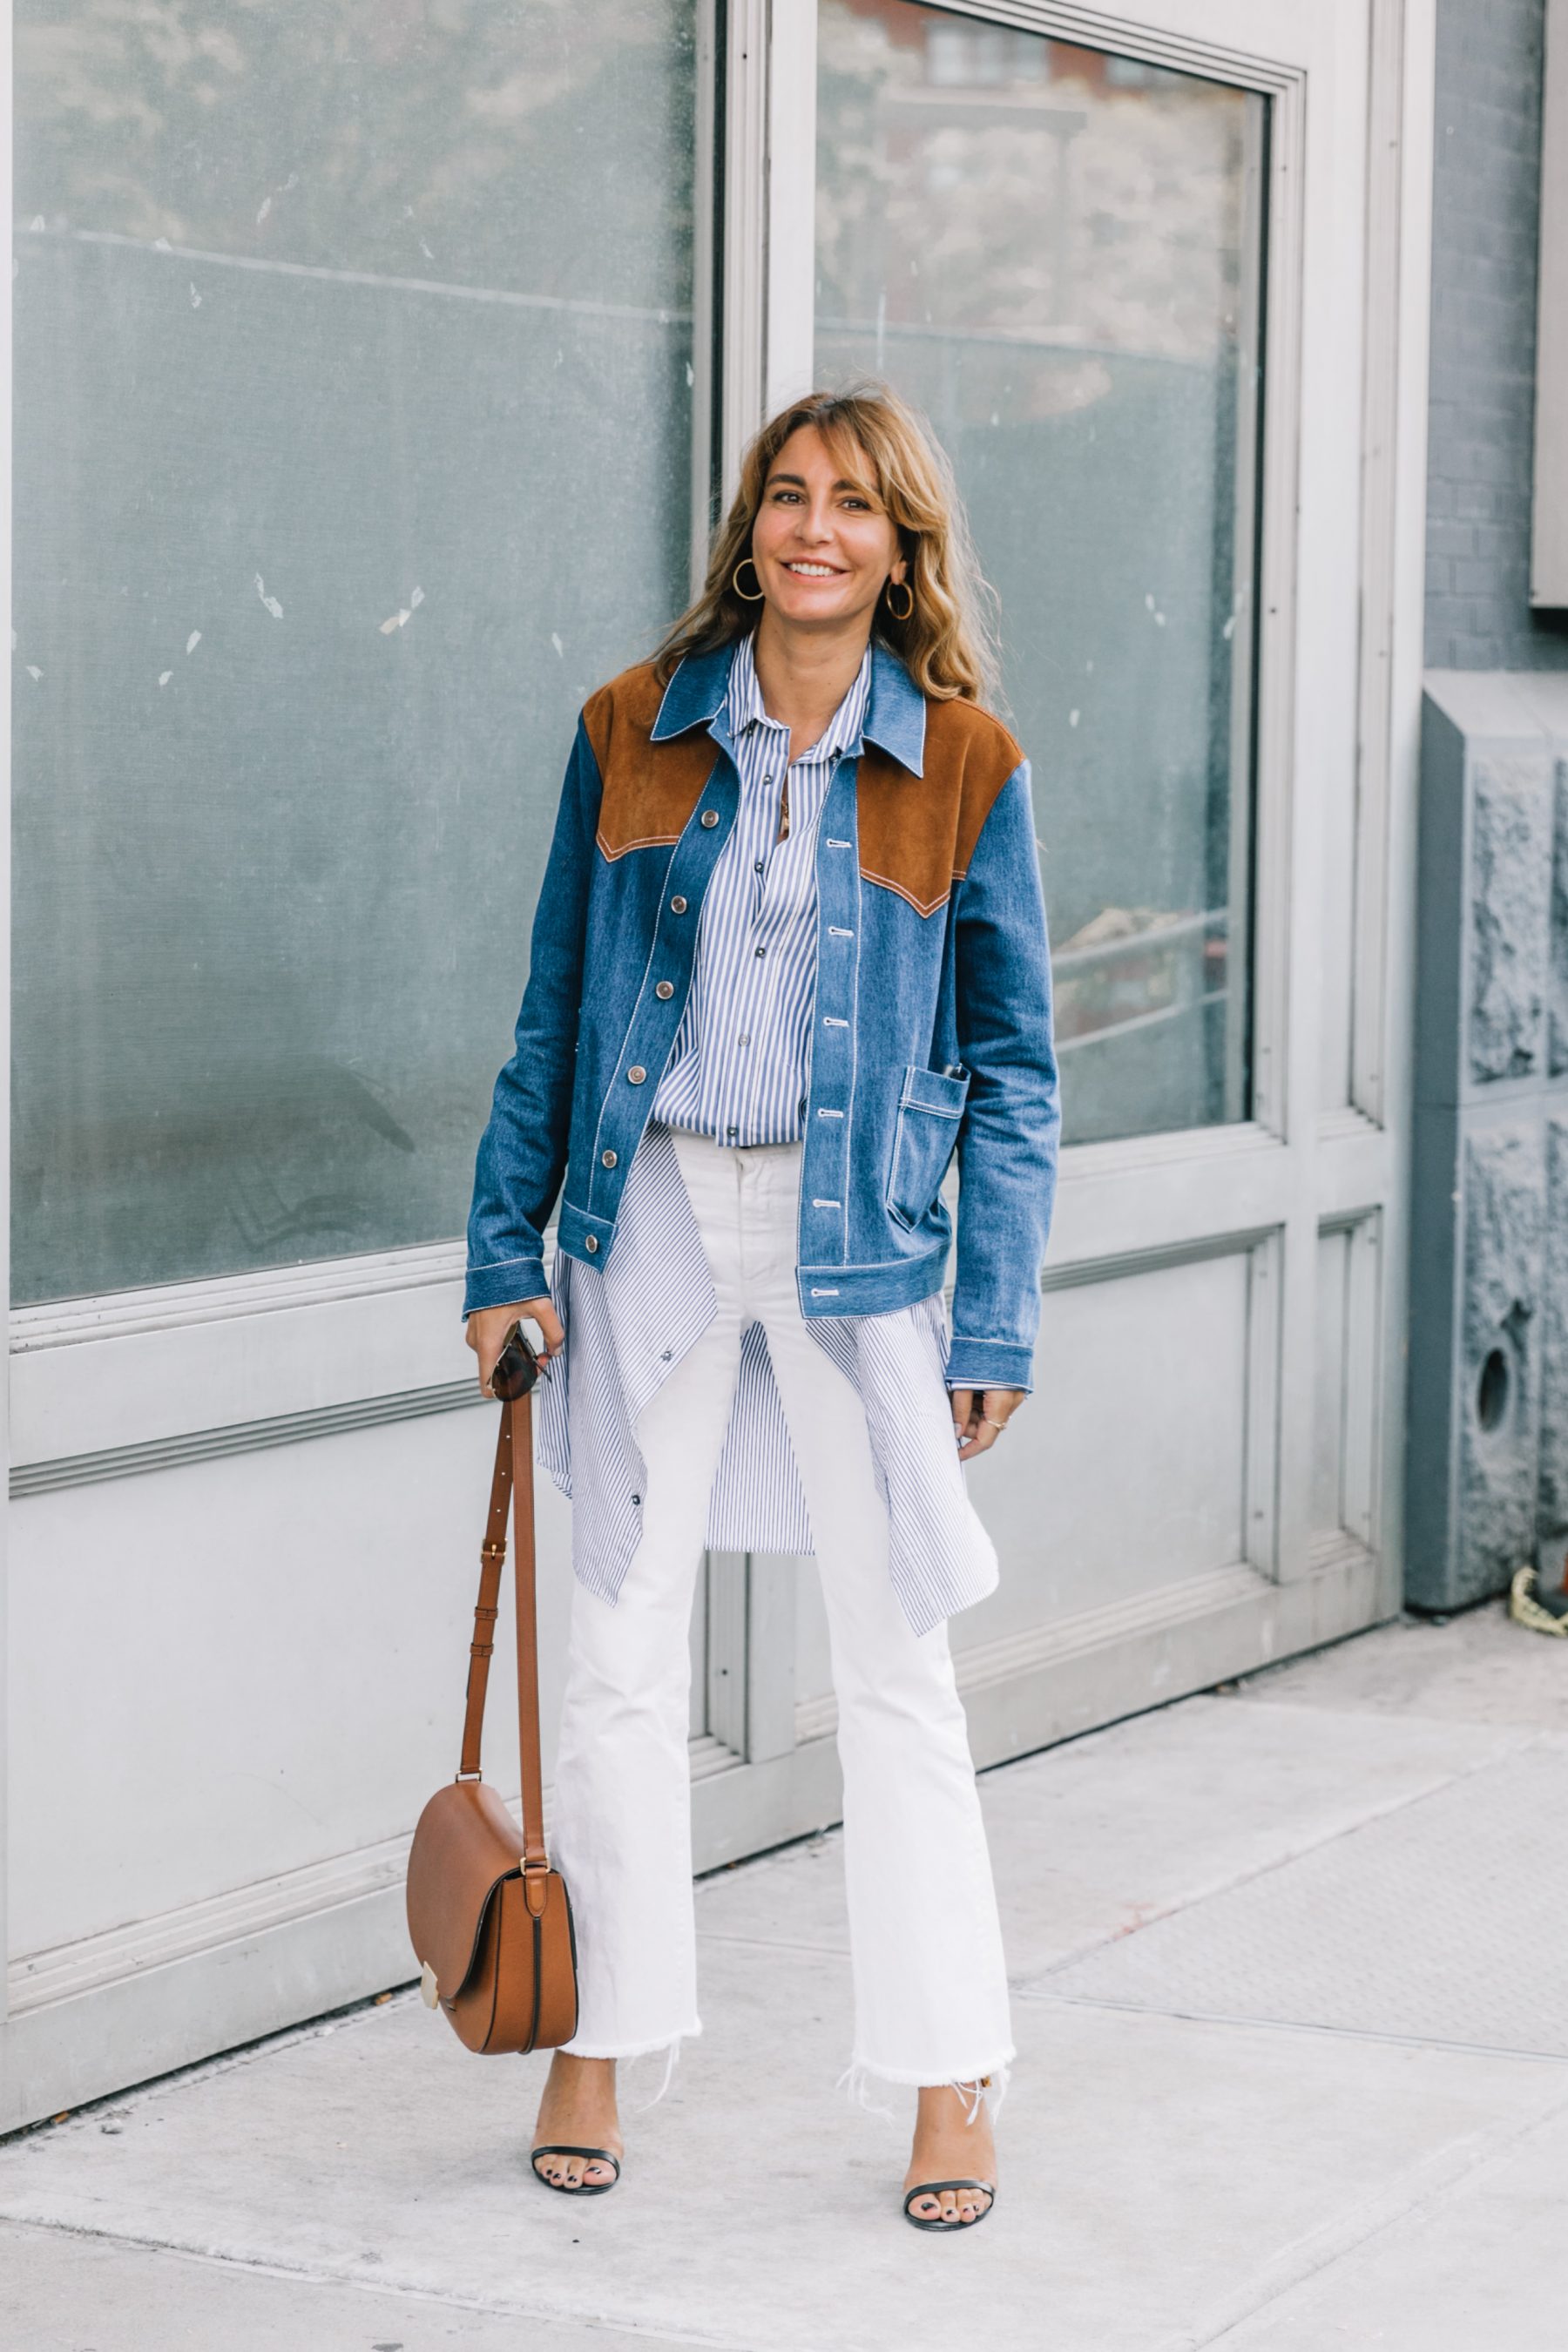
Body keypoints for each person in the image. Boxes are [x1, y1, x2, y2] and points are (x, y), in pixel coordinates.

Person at [463, 383, 1059, 2231]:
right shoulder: (632, 733)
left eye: (855, 506)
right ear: (753, 530)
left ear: (902, 550)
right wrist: (503, 1256)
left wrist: (994, 1315)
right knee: (620, 1648)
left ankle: (949, 2074)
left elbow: (1018, 1066)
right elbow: (556, 1008)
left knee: (896, 1669)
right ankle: (604, 2036)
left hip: (857, 1244)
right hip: (642, 1220)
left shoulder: (963, 762)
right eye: (788, 497)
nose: (815, 528)